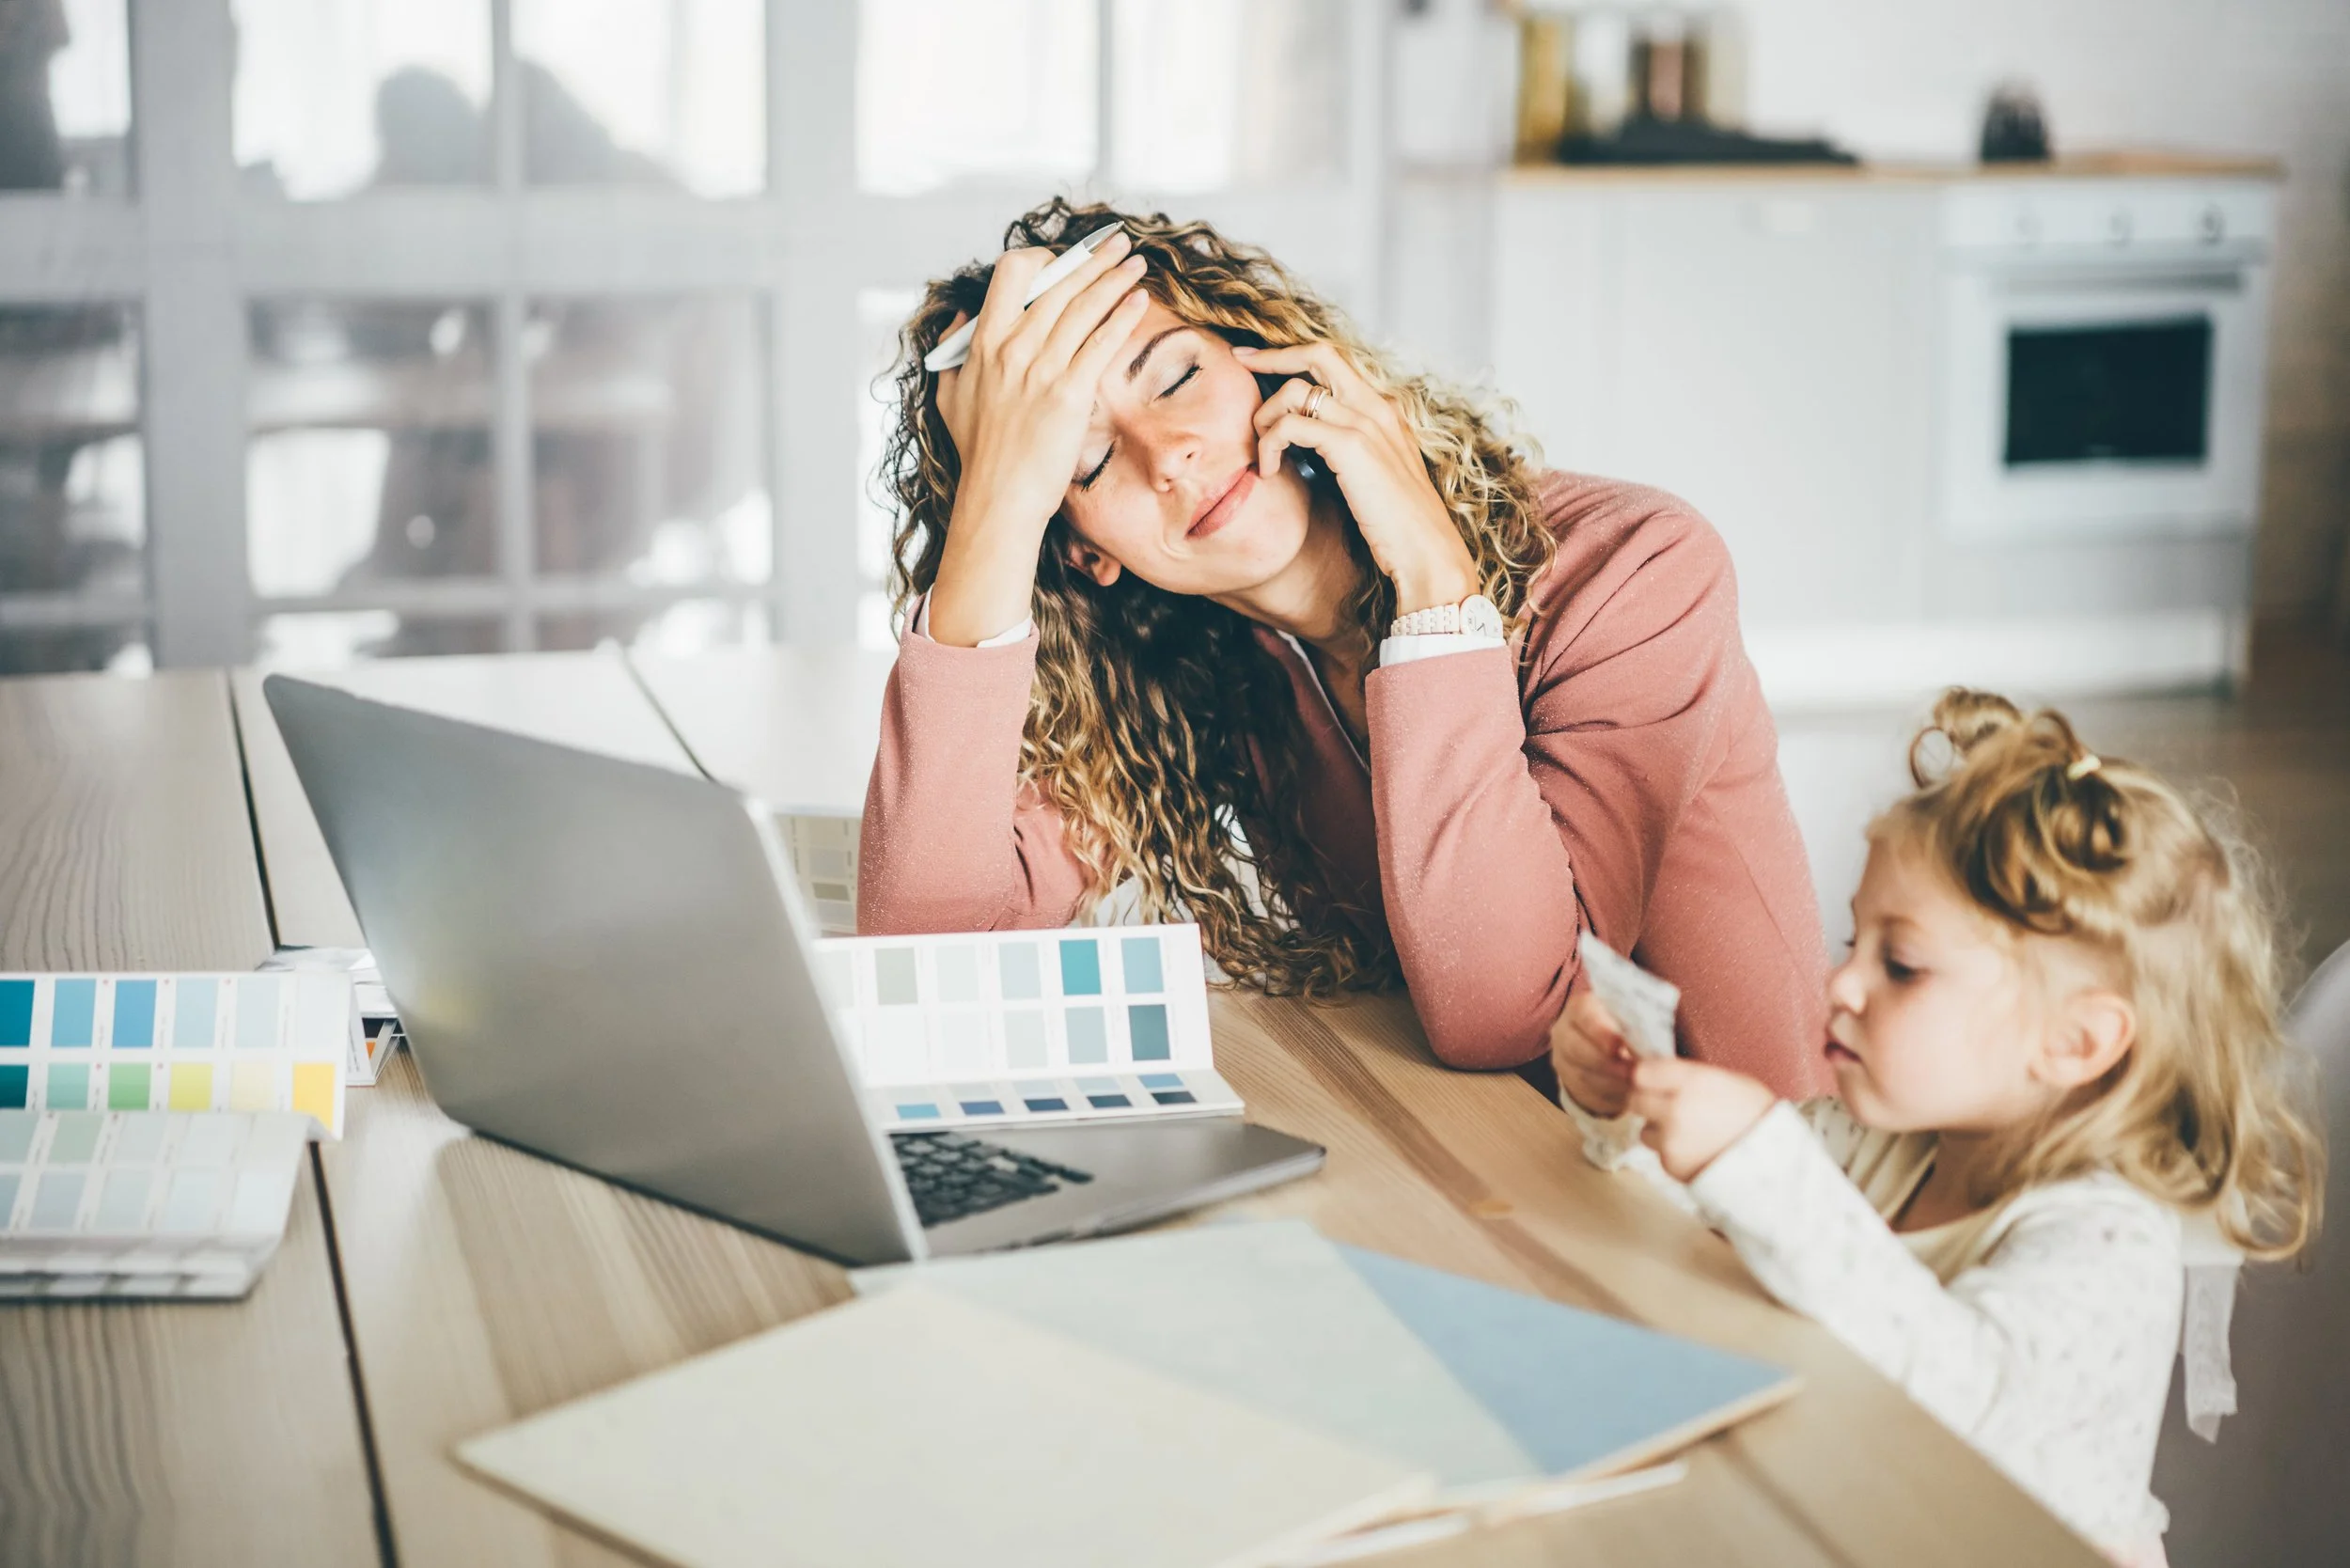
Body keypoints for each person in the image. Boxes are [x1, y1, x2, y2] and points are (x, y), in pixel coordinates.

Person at [857, 197, 1827, 1095]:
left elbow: (1504, 1013)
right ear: (1080, 551)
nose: (1169, 455)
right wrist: (996, 506)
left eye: (1179, 376)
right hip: (1477, 1182)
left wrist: (1432, 583)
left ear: (1263, 355)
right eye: (1090, 460)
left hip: (1729, 1221)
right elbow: (931, 965)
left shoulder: (1634, 568)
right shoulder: (1203, 665)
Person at [1550, 688, 2325, 1565]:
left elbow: (1968, 1410)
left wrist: (1754, 1157)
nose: (1841, 983)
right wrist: (1626, 1110)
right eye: (1854, 941)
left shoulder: (2112, 1247)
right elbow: (1714, 1212)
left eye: (1903, 965)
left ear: (2075, 1041)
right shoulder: (1880, 1140)